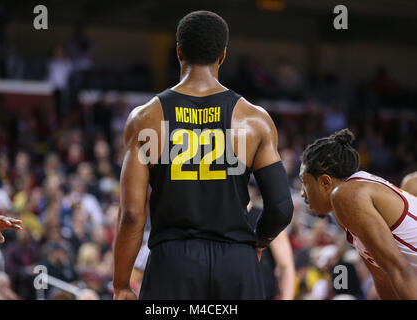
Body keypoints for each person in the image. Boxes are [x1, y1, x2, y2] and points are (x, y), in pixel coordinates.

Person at [113, 10, 293, 300]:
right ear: (223, 55)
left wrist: (121, 284)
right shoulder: (255, 120)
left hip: (173, 262)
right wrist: (257, 243)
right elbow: (282, 208)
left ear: (178, 51)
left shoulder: (145, 118)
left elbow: (132, 214)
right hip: (237, 262)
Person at [299, 128, 417, 299]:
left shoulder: (346, 195)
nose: (302, 193)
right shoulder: (345, 207)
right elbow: (382, 277)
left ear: (325, 182)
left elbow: (400, 270)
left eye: (305, 183)